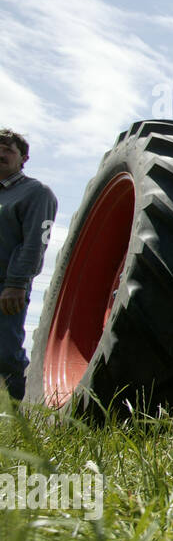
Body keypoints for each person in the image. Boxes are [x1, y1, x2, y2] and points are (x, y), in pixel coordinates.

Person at [0, 129, 58, 401]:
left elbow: (35, 242)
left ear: (24, 158)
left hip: (6, 286)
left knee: (5, 350)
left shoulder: (35, 193)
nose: (1, 154)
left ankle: (17, 407)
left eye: (8, 150)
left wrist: (16, 284)